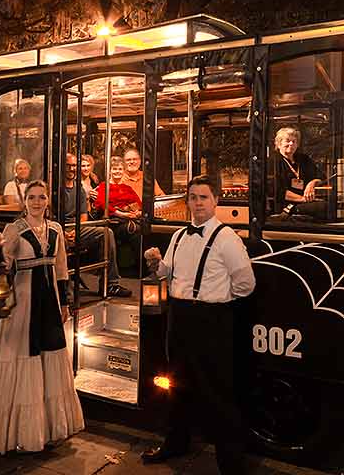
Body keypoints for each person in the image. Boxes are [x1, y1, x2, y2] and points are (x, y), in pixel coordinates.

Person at [141, 176, 256, 475]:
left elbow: (246, 283)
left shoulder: (227, 237)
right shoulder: (179, 235)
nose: (198, 203)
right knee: (176, 385)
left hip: (211, 320)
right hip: (179, 317)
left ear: (216, 200)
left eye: (203, 197)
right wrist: (157, 264)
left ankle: (231, 463)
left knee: (218, 391)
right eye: (193, 197)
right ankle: (176, 442)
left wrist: (216, 301)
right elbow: (168, 271)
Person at [0, 181, 85, 453]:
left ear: (49, 200)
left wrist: (66, 302)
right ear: (24, 201)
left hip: (50, 303)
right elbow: (1, 265)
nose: (37, 202)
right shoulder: (14, 229)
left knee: (51, 356)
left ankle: (49, 427)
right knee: (24, 355)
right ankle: (21, 433)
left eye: (42, 197)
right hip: (23, 305)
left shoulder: (57, 230)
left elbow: (61, 269)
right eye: (32, 197)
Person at [59, 153, 122, 297]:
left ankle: (110, 284)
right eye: (68, 165)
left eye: (74, 165)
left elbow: (83, 216)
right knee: (59, 240)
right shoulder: (56, 188)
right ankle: (65, 291)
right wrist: (62, 232)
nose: (71, 169)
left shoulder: (79, 188)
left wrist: (76, 230)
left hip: (77, 228)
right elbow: (51, 216)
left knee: (106, 233)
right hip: (58, 228)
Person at [270, 126, 324, 215]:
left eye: (294, 141)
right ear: (279, 144)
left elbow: (321, 177)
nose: (291, 144)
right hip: (285, 207)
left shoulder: (304, 159)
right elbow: (276, 191)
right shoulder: (272, 162)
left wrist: (312, 183)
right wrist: (303, 199)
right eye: (287, 140)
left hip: (307, 203)